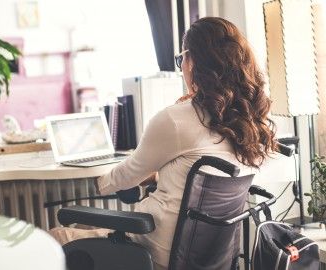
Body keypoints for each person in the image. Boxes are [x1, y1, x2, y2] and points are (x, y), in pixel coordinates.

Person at [50, 17, 277, 270]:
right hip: (208, 257)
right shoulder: (251, 122)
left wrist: (98, 182)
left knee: (56, 237)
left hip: (155, 251)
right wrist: (159, 178)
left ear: (193, 61)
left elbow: (125, 176)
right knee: (85, 229)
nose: (182, 68)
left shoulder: (176, 118)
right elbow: (198, 177)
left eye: (182, 59)